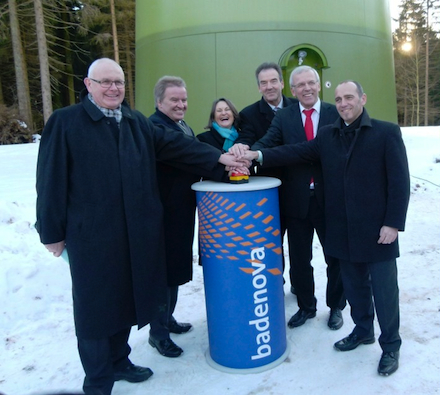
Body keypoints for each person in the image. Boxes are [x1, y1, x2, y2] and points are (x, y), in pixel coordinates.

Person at [35, 58, 248, 395]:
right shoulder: (65, 122)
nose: (113, 88)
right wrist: (52, 232)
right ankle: (98, 381)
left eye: (118, 82)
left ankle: (120, 361)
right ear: (88, 85)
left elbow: (177, 146)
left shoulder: (135, 122)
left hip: (135, 234)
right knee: (95, 311)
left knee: (125, 302)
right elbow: (49, 180)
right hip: (91, 237)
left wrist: (220, 158)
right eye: (105, 82)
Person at [236, 80, 410, 376]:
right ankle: (363, 330)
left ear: (362, 98)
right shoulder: (328, 135)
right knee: (354, 287)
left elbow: (399, 183)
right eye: (339, 99)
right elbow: (294, 151)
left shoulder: (385, 132)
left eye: (349, 97)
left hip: (378, 230)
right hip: (341, 227)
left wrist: (393, 223)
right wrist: (257, 155)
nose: (343, 103)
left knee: (384, 292)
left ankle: (390, 345)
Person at [231, 65, 346, 331]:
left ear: (319, 85)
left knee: (336, 258)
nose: (306, 88)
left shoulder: (334, 112)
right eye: (300, 85)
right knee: (299, 259)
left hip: (331, 199)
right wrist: (247, 154)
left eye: (311, 83)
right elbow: (268, 141)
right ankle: (306, 306)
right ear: (292, 90)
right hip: (296, 200)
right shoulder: (284, 116)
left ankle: (336, 307)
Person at [148, 76, 226, 358]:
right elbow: (186, 153)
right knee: (162, 274)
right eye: (174, 100)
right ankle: (157, 334)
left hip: (181, 211)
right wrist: (222, 161)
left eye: (184, 99)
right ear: (159, 102)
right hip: (162, 214)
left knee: (176, 270)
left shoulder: (181, 125)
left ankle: (167, 319)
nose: (181, 104)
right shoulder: (155, 127)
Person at [236, 62, 298, 293]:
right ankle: (275, 287)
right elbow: (247, 140)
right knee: (273, 244)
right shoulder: (249, 114)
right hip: (270, 191)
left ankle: (302, 290)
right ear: (259, 87)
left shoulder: (298, 105)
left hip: (301, 185)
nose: (270, 86)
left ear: (282, 83)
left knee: (301, 246)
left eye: (274, 81)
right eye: (264, 83)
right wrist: (241, 151)